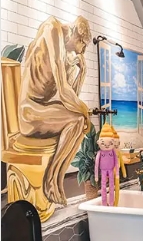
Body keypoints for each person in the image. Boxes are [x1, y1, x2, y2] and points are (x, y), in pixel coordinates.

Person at [18, 15, 92, 205]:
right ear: (77, 37)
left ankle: (56, 179)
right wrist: (86, 112)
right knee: (79, 119)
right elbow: (65, 92)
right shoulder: (52, 30)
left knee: (78, 120)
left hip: (43, 109)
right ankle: (51, 180)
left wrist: (81, 73)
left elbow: (69, 100)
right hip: (29, 111)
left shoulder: (65, 55)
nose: (82, 51)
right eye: (83, 46)